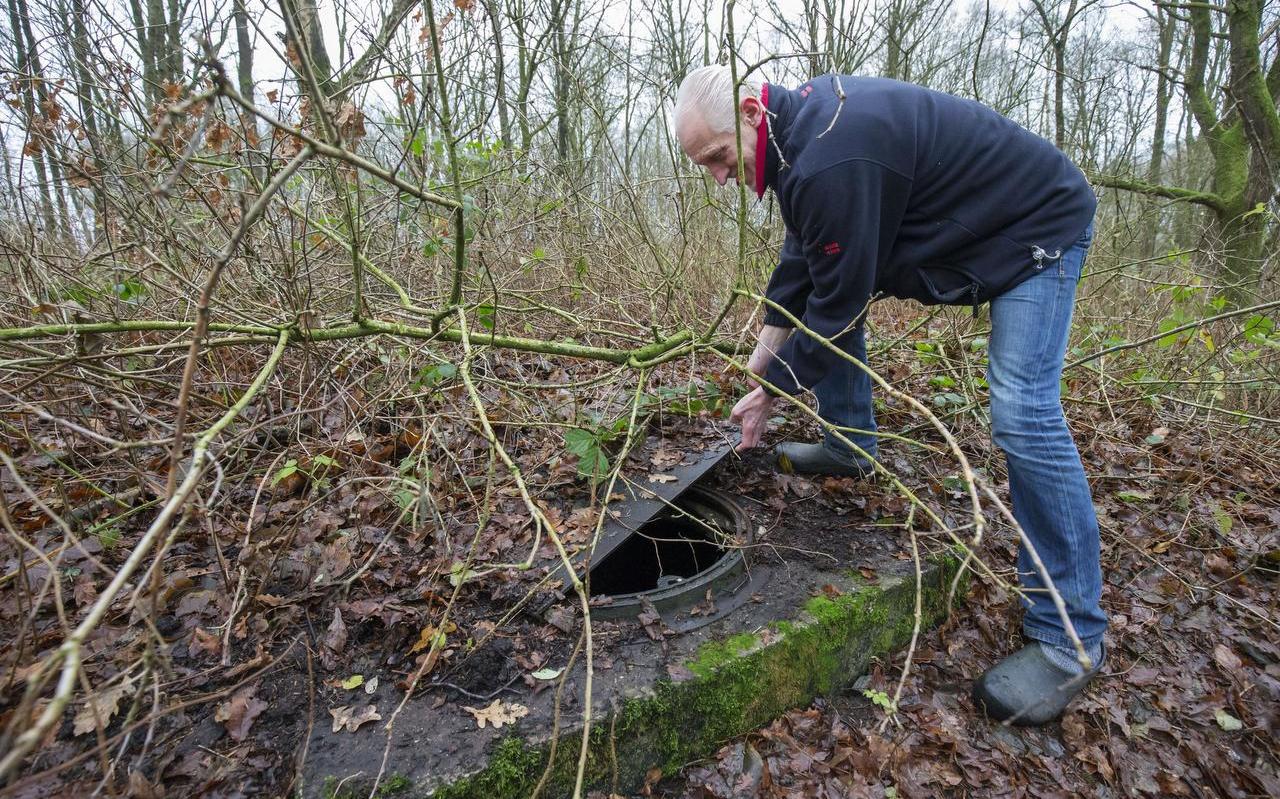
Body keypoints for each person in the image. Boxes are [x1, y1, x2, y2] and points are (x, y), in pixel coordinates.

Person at [674, 65, 1106, 725]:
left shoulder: (830, 153)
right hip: (981, 226)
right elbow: (803, 263)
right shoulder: (801, 140)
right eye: (705, 164)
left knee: (1022, 411)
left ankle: (1070, 634)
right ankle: (849, 445)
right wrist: (760, 364)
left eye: (719, 156)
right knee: (829, 288)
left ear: (750, 111)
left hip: (1035, 229)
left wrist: (771, 396)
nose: (720, 177)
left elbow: (838, 309)